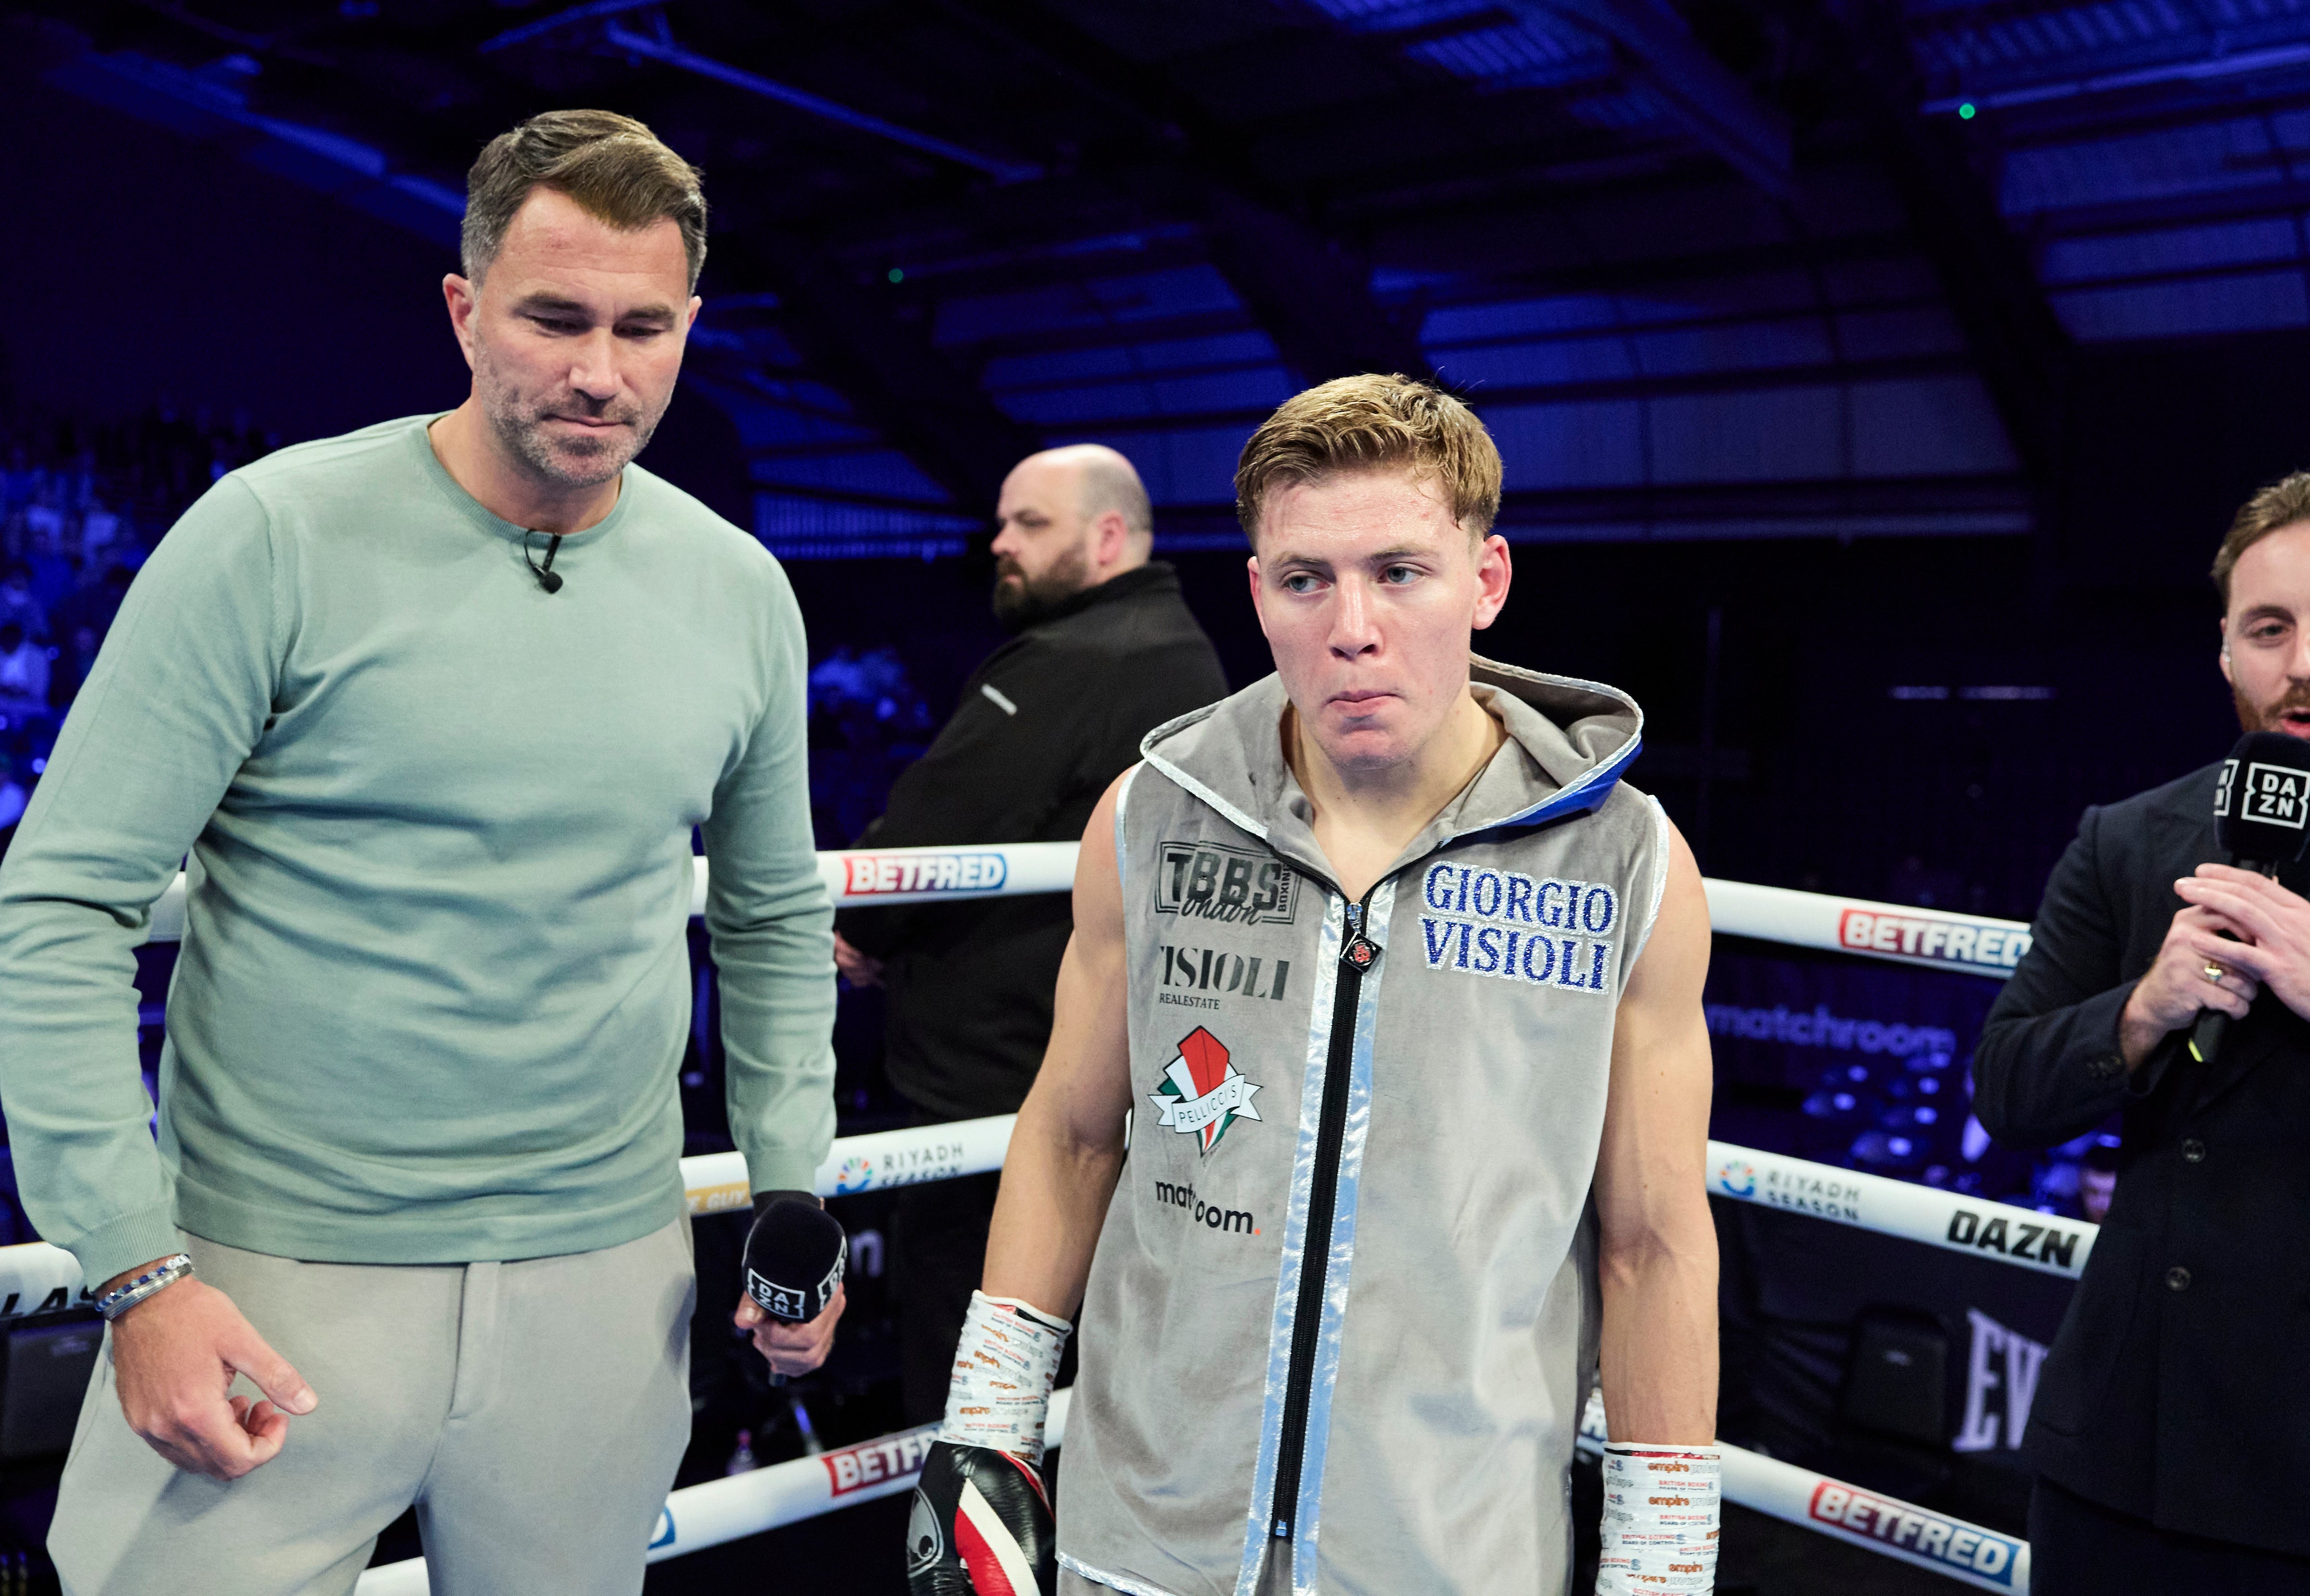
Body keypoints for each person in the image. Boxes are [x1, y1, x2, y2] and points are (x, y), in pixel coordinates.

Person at [0, 109, 841, 1596]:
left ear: (689, 326)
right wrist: (134, 1270)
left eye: (644, 326)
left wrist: (792, 1190)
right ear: (463, 310)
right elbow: (61, 900)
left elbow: (772, 914)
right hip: (268, 1268)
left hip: (605, 1279)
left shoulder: (740, 590)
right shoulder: (270, 538)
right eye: (554, 316)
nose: (600, 369)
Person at [905, 375, 1722, 1596]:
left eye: (1399, 571)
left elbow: (1651, 1242)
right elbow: (1073, 1137)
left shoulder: (1624, 862)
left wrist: (1660, 1562)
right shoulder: (1151, 818)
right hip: (1141, 1534)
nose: (1351, 625)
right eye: (1304, 578)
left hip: (1451, 1553)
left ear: (1484, 581)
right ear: (1256, 593)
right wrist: (987, 1421)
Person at [834, 443, 1227, 1422]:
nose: (999, 542)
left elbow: (937, 821)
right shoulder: (1185, 647)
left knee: (974, 1392)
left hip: (1001, 1102)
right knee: (1074, 1397)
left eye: (1030, 524)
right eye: (1003, 520)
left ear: (1106, 537)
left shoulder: (1078, 658)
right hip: (1108, 1089)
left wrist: (862, 920)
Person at [1973, 470, 2310, 1590]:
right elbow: (2005, 1083)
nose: (2299, 664)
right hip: (2118, 1452)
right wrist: (2140, 1007)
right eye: (2268, 627)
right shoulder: (2126, 837)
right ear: (2223, 649)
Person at [0, 622, 47, 705]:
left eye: (12, 639)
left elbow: (41, 689)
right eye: (6, 640)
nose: (9, 643)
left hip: (31, 702)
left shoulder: (37, 656)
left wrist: (21, 691)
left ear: (20, 639)